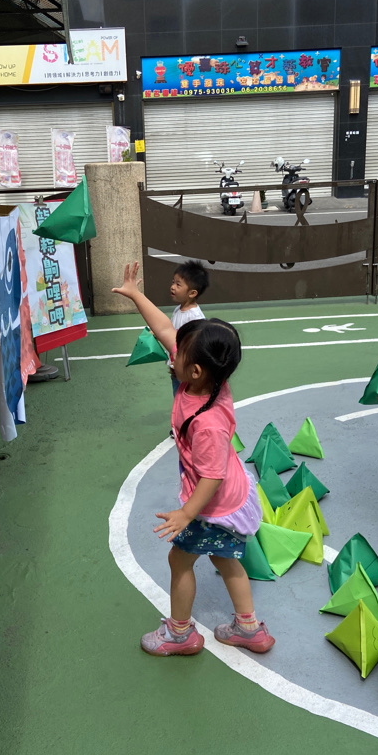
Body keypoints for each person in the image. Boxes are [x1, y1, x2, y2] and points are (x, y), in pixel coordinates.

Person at [112, 261, 273, 656]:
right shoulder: (207, 381)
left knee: (179, 560)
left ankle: (181, 634)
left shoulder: (207, 423)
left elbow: (212, 475)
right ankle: (249, 628)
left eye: (178, 354)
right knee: (225, 559)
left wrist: (187, 514)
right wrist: (135, 295)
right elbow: (165, 330)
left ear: (195, 369)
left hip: (211, 505)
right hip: (227, 496)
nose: (172, 355)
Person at [167, 260, 208, 396]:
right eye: (173, 282)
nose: (172, 287)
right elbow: (172, 333)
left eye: (178, 284)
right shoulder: (178, 309)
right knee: (178, 398)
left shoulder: (195, 317)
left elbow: (197, 345)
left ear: (192, 293)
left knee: (186, 399)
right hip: (176, 369)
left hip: (186, 371)